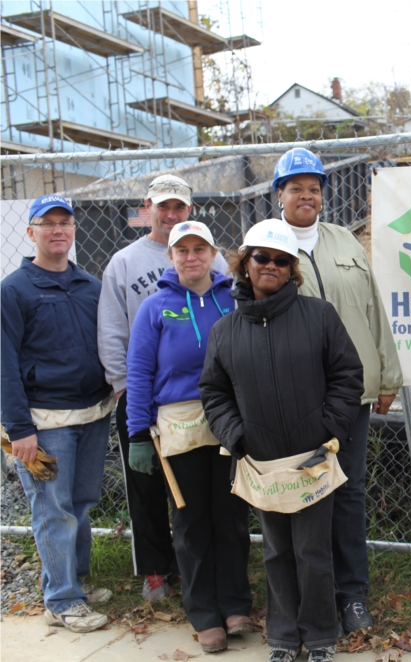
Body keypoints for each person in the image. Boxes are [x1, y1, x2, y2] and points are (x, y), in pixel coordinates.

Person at [199, 218, 364, 662]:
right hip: (262, 463)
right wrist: (237, 437)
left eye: (281, 260)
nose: (270, 265)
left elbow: (348, 375)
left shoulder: (319, 317)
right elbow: (213, 392)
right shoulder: (225, 332)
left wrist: (329, 428)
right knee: (276, 551)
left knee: (313, 549)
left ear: (292, 269)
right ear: (244, 265)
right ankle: (285, 639)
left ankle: (322, 637)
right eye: (261, 257)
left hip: (312, 459)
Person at [272, 148, 402, 633]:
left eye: (314, 188)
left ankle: (352, 595)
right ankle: (311, 597)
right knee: (305, 495)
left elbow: (373, 309)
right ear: (279, 194)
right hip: (297, 399)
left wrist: (387, 376)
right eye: (296, 188)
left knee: (349, 493)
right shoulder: (269, 245)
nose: (307, 196)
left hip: (354, 395)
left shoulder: (345, 239)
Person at [97, 174, 227, 603]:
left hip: (202, 402)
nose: (171, 215)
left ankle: (210, 577)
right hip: (141, 396)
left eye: (179, 207)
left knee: (197, 496)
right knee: (147, 487)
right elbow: (113, 331)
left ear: (190, 210)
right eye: (163, 207)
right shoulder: (124, 262)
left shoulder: (216, 260)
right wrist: (125, 392)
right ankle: (155, 571)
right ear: (147, 207)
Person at [125, 221, 251, 654]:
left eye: (200, 248)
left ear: (213, 253)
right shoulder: (155, 307)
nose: (191, 257)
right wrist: (138, 433)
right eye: (183, 250)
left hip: (228, 420)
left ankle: (236, 603)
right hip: (178, 426)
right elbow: (139, 373)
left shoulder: (234, 299)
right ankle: (203, 612)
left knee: (231, 516)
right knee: (191, 519)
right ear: (171, 257)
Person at [1, 195, 115, 632]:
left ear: (73, 230)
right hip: (44, 423)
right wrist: (18, 429)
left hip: (91, 414)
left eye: (64, 222)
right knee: (54, 510)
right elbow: (4, 363)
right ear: (31, 232)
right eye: (47, 223)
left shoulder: (89, 285)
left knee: (80, 504)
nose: (58, 230)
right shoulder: (14, 290)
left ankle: (74, 583)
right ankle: (61, 600)